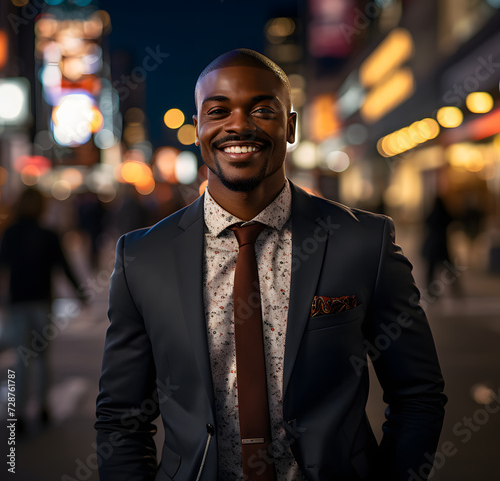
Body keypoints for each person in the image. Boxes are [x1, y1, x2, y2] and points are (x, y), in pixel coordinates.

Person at [95, 49, 446, 481]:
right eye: (218, 111)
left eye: (262, 109)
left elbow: (418, 393)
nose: (239, 125)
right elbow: (122, 419)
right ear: (198, 129)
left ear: (291, 126)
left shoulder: (363, 242)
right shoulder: (141, 258)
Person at [0, 188, 84, 431]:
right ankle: (43, 407)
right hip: (42, 302)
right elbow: (63, 266)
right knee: (42, 358)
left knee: (20, 359)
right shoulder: (48, 235)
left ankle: (19, 414)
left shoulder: (11, 233)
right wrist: (80, 293)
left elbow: (3, 266)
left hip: (18, 302)